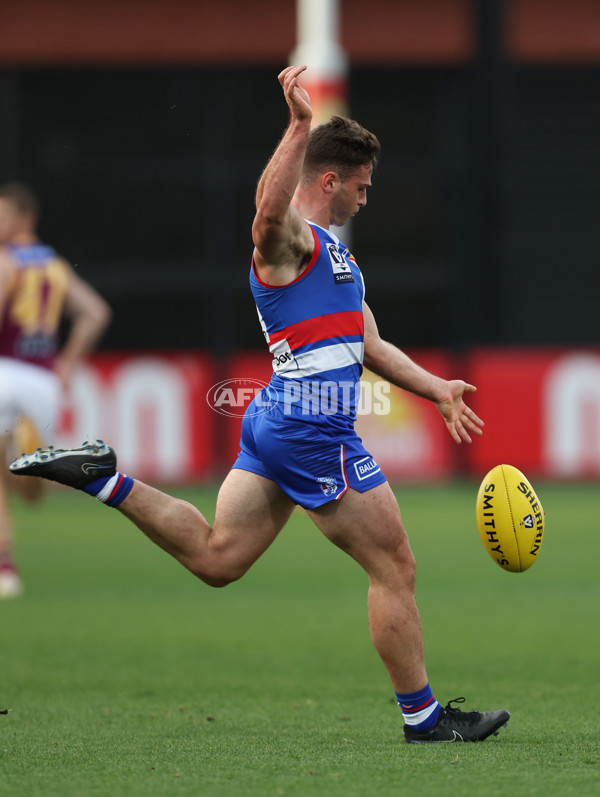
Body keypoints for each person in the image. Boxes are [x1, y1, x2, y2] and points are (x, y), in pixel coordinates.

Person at [9, 67, 510, 742]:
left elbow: (372, 344)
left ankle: (104, 477)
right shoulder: (292, 243)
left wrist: (437, 387)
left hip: (278, 419)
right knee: (395, 565)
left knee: (219, 559)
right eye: (361, 185)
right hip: (310, 426)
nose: (368, 197)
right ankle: (423, 719)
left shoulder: (338, 259)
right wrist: (300, 127)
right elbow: (267, 214)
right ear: (329, 179)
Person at [0, 182, 111, 597]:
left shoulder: (5, 260)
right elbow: (96, 313)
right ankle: (22, 455)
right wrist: (66, 362)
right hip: (43, 380)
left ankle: (5, 568)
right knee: (32, 491)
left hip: (5, 370)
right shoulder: (53, 264)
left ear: (25, 219)